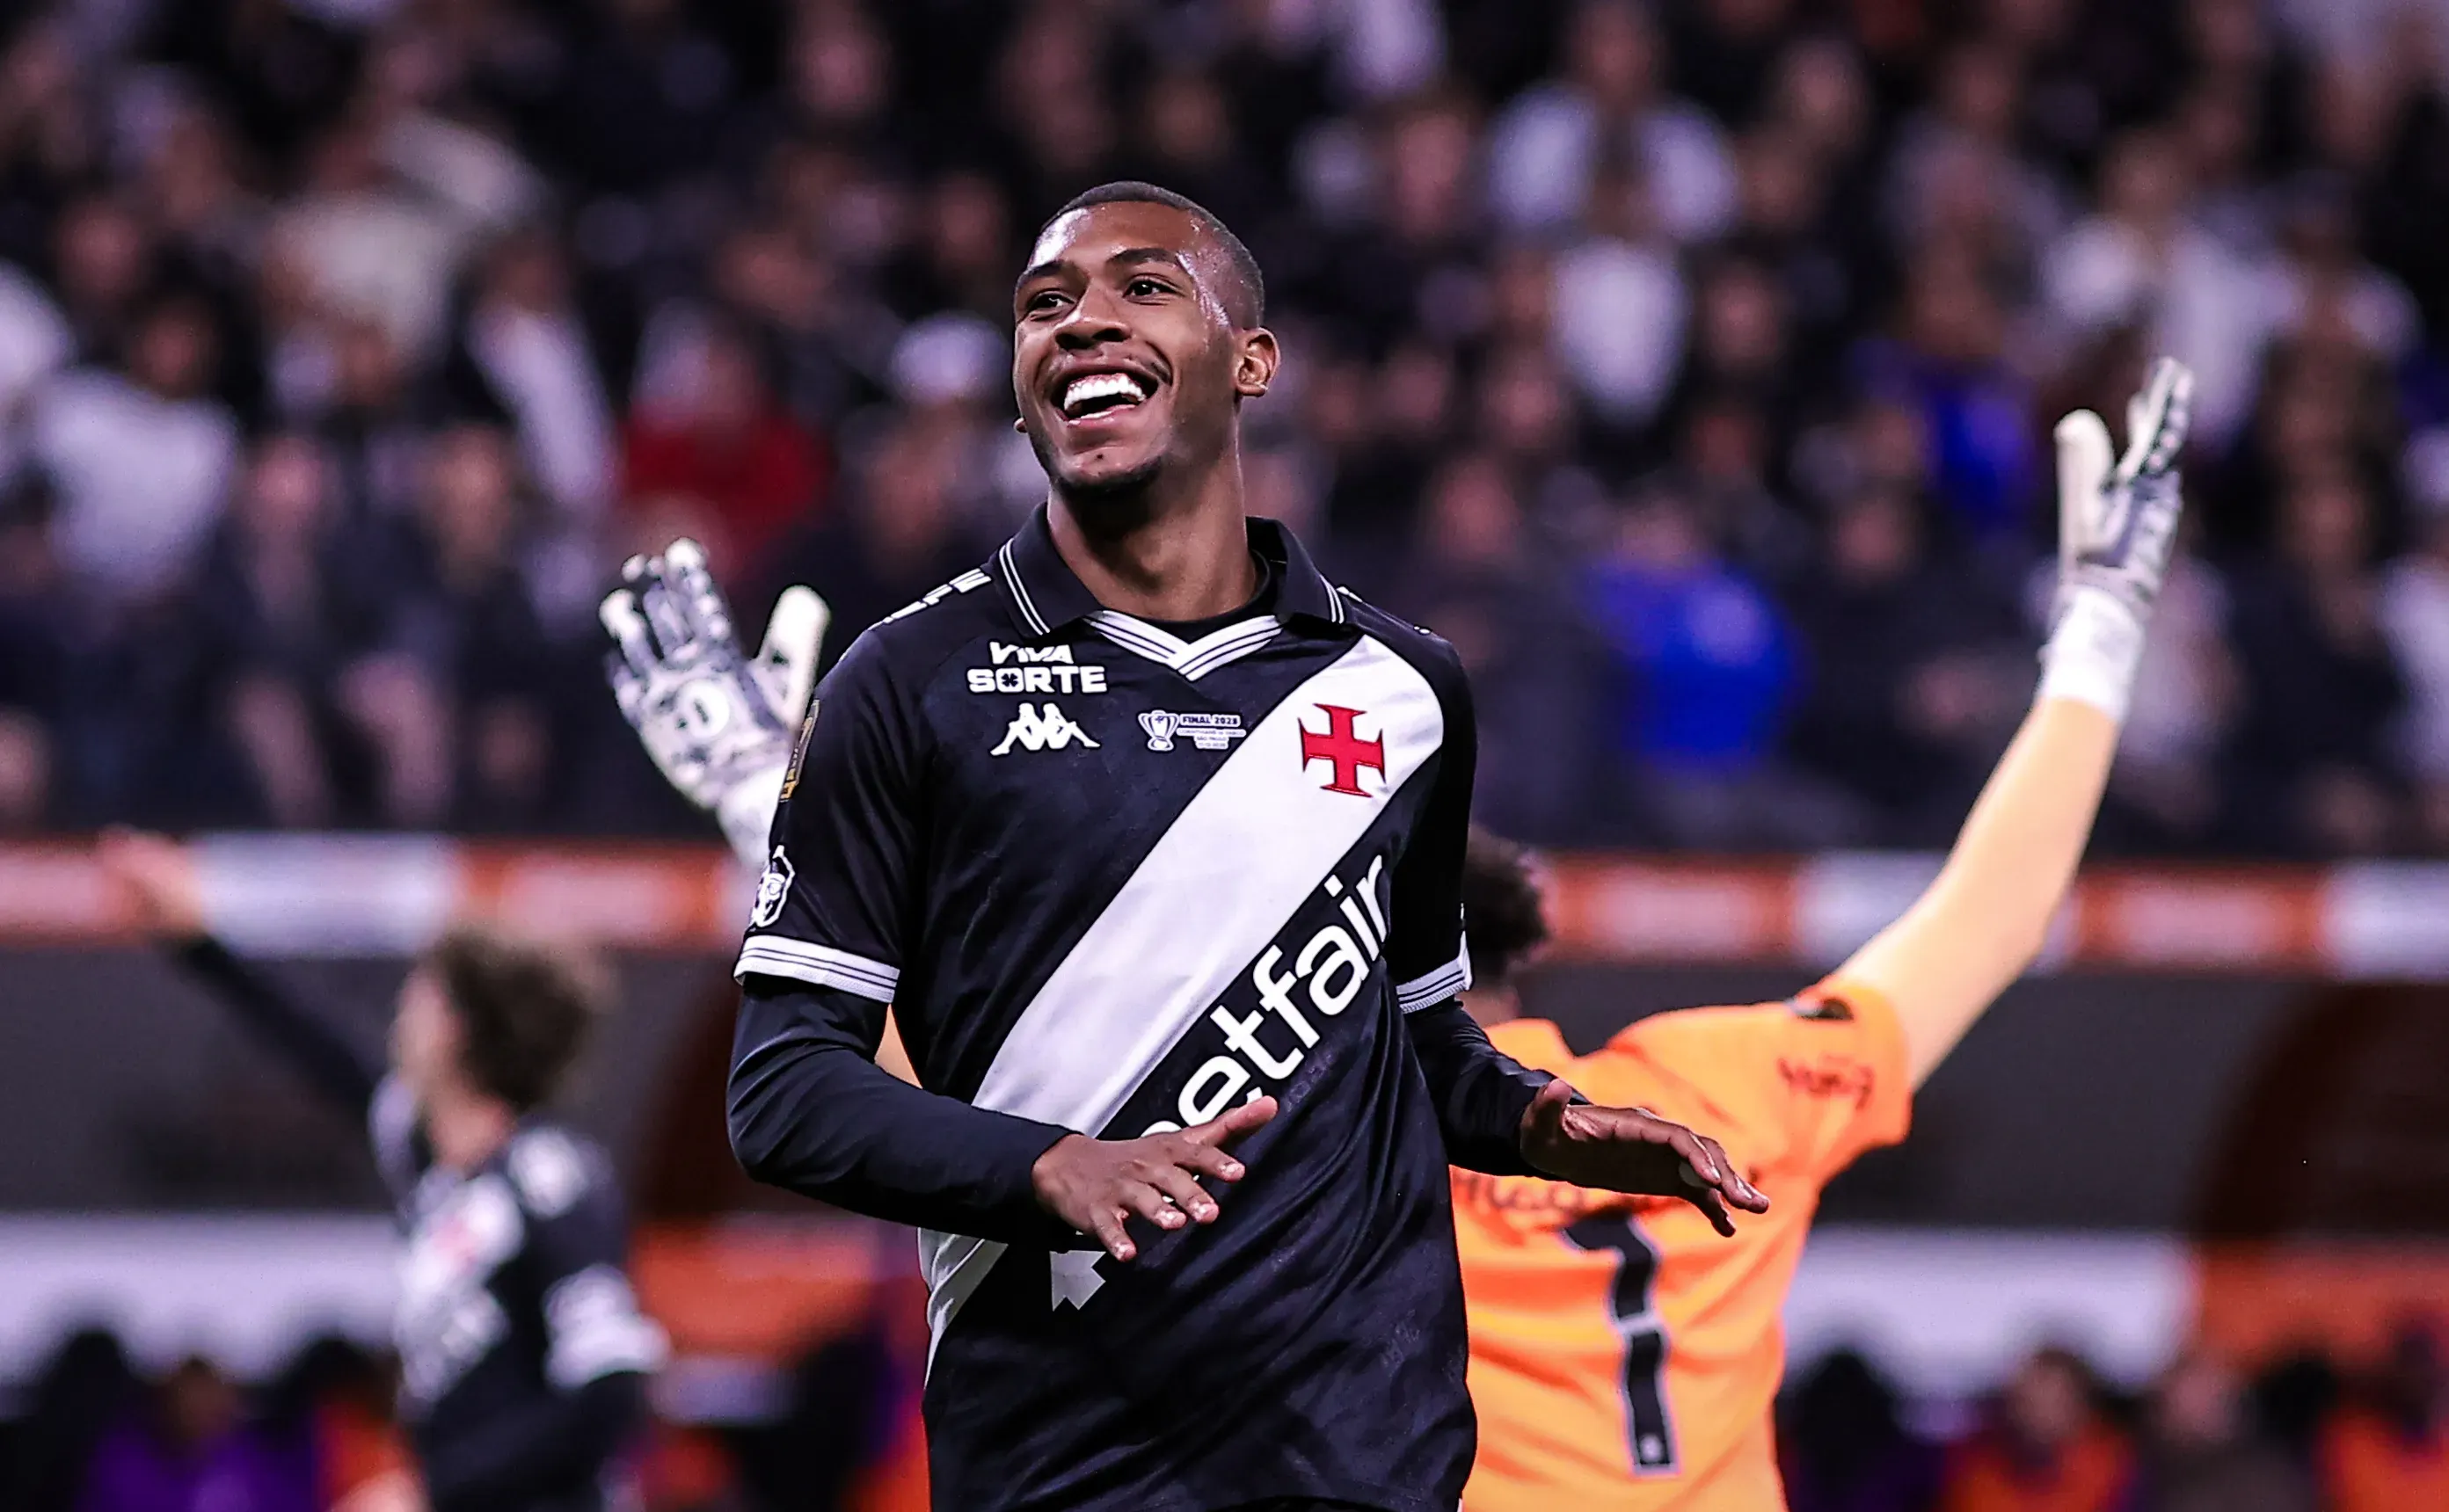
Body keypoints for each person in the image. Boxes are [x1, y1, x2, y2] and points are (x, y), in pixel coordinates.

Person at [605, 180, 1767, 1512]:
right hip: (1067, 1465)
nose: (1081, 322)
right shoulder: (906, 682)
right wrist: (1043, 1167)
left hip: (1366, 1464)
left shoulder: (1405, 686)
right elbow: (786, 1093)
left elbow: (1417, 1043)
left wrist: (1542, 1122)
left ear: (1251, 361)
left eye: (1143, 288)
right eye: (1045, 305)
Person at [1446, 359, 2194, 1509]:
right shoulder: (1723, 1088)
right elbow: (1994, 916)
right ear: (1520, 950)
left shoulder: (1358, 1157)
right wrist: (2098, 635)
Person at [97, 830, 667, 1512]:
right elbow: (326, 1053)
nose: (403, 1016)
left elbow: (610, 1393)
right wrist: (200, 942)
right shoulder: (430, 1160)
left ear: (455, 1027)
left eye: (420, 997)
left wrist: (430, 1493)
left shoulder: (549, 1182)